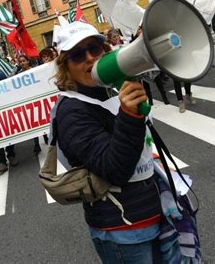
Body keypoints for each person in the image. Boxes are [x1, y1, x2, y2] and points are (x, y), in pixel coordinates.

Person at [53, 22, 162, 263]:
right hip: (123, 230)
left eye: (94, 48)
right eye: (78, 55)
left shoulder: (111, 89)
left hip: (154, 211)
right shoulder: (70, 111)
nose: (90, 58)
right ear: (66, 67)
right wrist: (130, 115)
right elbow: (114, 169)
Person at [16, 55, 42, 155]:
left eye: (24, 61)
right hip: (29, 102)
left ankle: (48, 140)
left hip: (38, 99)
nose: (22, 63)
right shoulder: (19, 75)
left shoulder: (35, 71)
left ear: (28, 61)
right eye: (20, 62)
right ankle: (36, 145)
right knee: (33, 123)